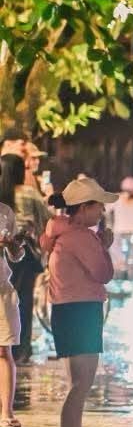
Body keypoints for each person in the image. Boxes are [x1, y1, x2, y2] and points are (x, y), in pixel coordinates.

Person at [41, 177, 118, 427]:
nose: (102, 213)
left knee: (78, 382)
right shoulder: (81, 237)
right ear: (84, 207)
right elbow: (102, 274)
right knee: (81, 383)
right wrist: (105, 246)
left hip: (66, 310)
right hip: (82, 309)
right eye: (98, 207)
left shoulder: (61, 233)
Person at [2, 152, 48, 363]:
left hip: (4, 253)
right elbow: (45, 218)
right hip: (24, 252)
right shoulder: (29, 192)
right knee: (23, 300)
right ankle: (21, 349)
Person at [0, 197, 25, 427]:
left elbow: (16, 256)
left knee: (3, 349)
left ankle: (6, 412)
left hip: (1, 289)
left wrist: (13, 246)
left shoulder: (5, 212)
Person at [107, 177, 133, 269]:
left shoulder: (116, 198)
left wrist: (109, 222)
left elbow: (106, 210)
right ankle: (131, 264)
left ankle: (119, 264)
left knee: (114, 246)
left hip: (119, 230)